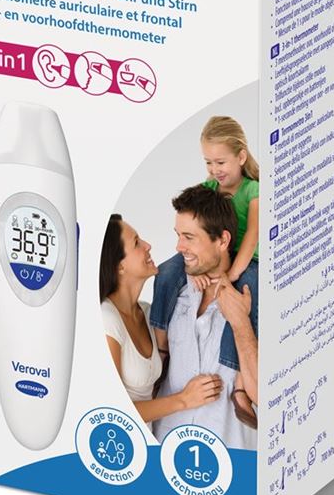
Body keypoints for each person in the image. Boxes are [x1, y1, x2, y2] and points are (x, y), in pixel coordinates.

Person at [150, 115, 260, 425]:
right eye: (208, 163)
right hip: (168, 441)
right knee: (166, 271)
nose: (214, 170)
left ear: (241, 156)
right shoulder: (210, 187)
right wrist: (195, 269)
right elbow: (193, 208)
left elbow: (252, 236)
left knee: (249, 295)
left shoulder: (253, 191)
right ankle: (161, 351)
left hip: (247, 259)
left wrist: (231, 276)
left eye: (220, 162)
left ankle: (240, 386)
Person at [152, 186, 258, 450]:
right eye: (178, 235)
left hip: (229, 455)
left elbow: (264, 397)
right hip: (164, 446)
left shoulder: (253, 299)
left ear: (222, 240)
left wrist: (240, 323)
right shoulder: (174, 289)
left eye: (189, 237)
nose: (179, 247)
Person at [99, 214, 223, 428]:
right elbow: (111, 410)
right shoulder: (107, 319)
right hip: (118, 440)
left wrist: (193, 271)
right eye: (136, 243)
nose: (147, 245)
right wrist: (184, 399)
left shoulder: (148, 313)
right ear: (119, 266)